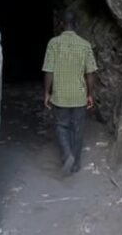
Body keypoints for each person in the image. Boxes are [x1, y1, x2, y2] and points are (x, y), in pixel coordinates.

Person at [42, 12, 98, 175]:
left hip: (60, 95)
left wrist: (47, 92)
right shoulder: (85, 45)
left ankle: (67, 155)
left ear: (60, 24)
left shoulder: (54, 43)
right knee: (78, 128)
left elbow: (49, 71)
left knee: (61, 125)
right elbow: (90, 73)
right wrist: (90, 94)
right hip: (79, 96)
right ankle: (76, 163)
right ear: (76, 25)